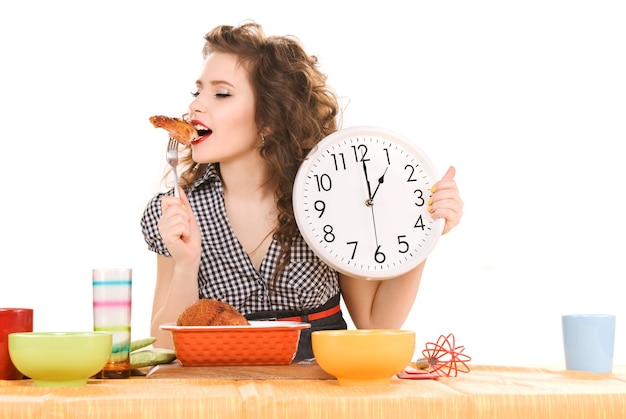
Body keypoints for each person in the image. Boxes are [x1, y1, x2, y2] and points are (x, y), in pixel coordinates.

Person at [141, 21, 464, 359]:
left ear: (270, 118)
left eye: (221, 93)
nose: (196, 106)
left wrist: (425, 232)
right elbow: (164, 349)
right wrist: (185, 264)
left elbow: (375, 321)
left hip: (319, 393)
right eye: (198, 91)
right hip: (227, 392)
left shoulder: (329, 195)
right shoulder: (173, 210)